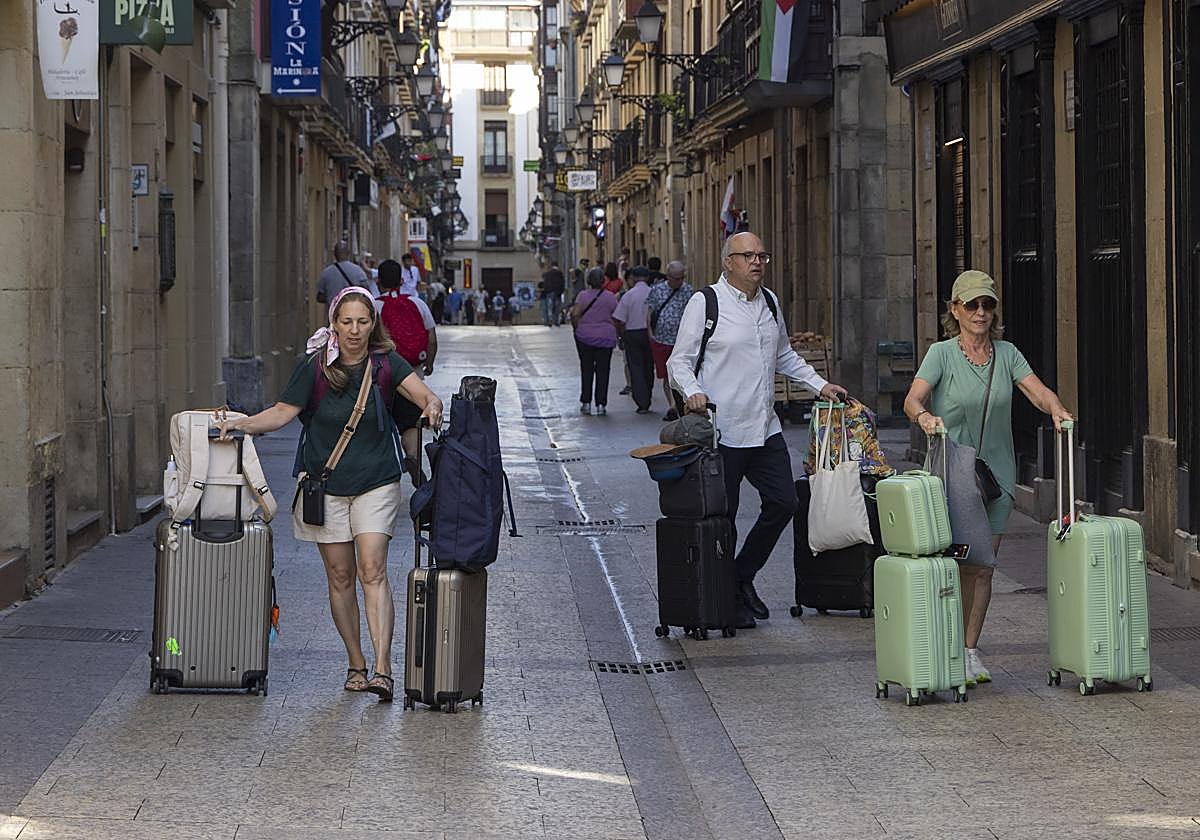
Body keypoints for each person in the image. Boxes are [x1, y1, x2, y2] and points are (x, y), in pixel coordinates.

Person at [218, 286, 444, 702]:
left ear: (373, 324)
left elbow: (425, 395)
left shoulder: (386, 363)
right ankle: (356, 663)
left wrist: (432, 406)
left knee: (372, 569)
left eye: (362, 321)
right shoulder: (315, 366)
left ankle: (383, 668)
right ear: (334, 324)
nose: (354, 330)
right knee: (340, 576)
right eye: (347, 321)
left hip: (377, 480)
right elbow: (282, 413)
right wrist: (240, 424)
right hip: (325, 485)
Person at [668, 231, 847, 630]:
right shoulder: (706, 302)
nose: (757, 262)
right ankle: (725, 598)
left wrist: (820, 385)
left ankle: (740, 576)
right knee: (724, 518)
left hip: (765, 428)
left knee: (785, 502)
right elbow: (678, 362)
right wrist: (693, 391)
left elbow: (783, 355)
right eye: (747, 255)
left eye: (762, 256)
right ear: (728, 262)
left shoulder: (770, 302)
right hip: (722, 432)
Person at [904, 269, 1072, 685]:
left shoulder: (1007, 354)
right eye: (972, 304)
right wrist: (924, 418)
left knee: (983, 567)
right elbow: (912, 399)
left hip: (996, 478)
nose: (980, 312)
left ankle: (968, 651)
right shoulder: (941, 354)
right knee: (958, 565)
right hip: (954, 475)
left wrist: (1056, 409)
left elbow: (1037, 391)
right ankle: (944, 647)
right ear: (955, 309)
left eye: (988, 305)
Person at [376, 259, 439, 481]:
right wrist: (429, 363)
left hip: (379, 378)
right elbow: (431, 338)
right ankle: (412, 455)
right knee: (411, 425)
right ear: (402, 281)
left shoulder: (373, 307)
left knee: (376, 425)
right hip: (411, 377)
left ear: (378, 281)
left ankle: (381, 470)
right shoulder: (418, 303)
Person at [645, 260, 692, 421]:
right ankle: (672, 404)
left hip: (681, 341)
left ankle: (676, 406)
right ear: (668, 276)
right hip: (661, 340)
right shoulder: (657, 290)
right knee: (666, 375)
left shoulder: (688, 291)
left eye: (682, 278)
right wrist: (649, 332)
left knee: (680, 373)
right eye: (676, 278)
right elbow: (649, 312)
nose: (679, 282)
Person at [572, 267, 619, 416]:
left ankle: (586, 402)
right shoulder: (610, 297)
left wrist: (577, 328)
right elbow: (616, 316)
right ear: (603, 281)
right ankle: (601, 404)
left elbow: (575, 314)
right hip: (606, 338)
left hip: (585, 337)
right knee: (603, 371)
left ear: (589, 281)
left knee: (586, 369)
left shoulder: (582, 296)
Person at [612, 265, 655, 414]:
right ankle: (647, 394)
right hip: (650, 334)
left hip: (632, 333)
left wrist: (620, 336)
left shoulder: (628, 296)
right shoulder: (653, 293)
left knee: (635, 367)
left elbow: (619, 319)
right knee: (649, 366)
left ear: (634, 278)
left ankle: (642, 402)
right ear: (647, 278)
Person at [317, 242, 370, 311]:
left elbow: (320, 297)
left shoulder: (326, 273)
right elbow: (366, 292)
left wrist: (332, 296)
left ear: (335, 254)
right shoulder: (358, 271)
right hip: (353, 311)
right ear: (348, 253)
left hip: (334, 312)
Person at [541, 261, 566, 327]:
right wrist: (561, 291)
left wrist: (546, 291)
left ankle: (550, 320)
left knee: (550, 306)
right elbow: (562, 282)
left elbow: (545, 283)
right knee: (557, 307)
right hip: (558, 293)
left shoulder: (548, 274)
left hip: (550, 292)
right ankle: (556, 321)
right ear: (557, 266)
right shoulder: (560, 273)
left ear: (552, 266)